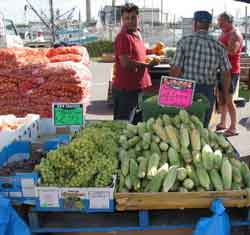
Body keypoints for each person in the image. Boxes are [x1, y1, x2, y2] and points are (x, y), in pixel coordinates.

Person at [170, 10, 231, 128]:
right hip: (207, 92)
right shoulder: (219, 45)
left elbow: (175, 70)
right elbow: (226, 73)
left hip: (185, 89)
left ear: (195, 23)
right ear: (209, 25)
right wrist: (224, 93)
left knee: (184, 127)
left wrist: (171, 92)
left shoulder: (184, 41)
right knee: (202, 128)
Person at [112, 3, 158, 123]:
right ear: (122, 20)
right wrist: (147, 66)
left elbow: (139, 52)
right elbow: (125, 63)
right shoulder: (123, 37)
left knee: (136, 126)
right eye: (126, 18)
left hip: (137, 88)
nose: (130, 21)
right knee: (122, 126)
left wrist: (153, 51)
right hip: (126, 91)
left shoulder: (137, 33)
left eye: (133, 17)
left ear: (138, 18)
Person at [216, 12, 243, 136]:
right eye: (218, 21)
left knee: (229, 99)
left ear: (228, 21)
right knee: (220, 98)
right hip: (221, 70)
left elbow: (233, 51)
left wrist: (217, 48)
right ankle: (223, 123)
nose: (219, 23)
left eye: (221, 21)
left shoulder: (235, 34)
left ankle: (233, 127)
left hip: (231, 72)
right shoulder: (224, 32)